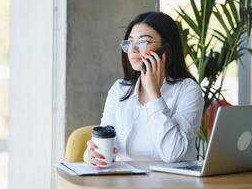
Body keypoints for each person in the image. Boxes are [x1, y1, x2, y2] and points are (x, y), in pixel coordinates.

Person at [83, 11, 204, 168]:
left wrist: (155, 96)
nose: (133, 50)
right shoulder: (119, 90)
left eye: (142, 42)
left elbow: (172, 154)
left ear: (166, 50)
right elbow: (105, 144)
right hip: (124, 182)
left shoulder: (188, 90)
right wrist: (91, 155)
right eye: (129, 43)